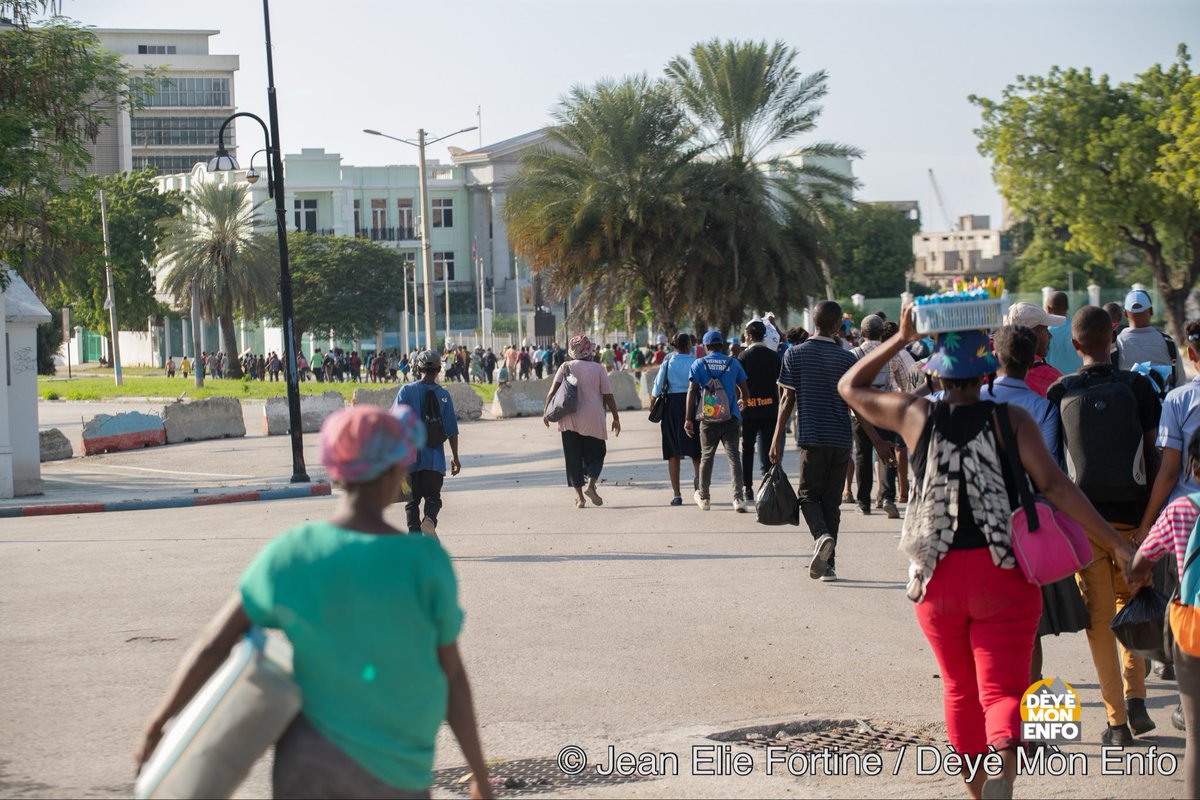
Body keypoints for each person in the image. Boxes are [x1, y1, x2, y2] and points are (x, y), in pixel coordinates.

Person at [840, 305, 1136, 799]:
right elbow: (1057, 487)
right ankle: (1004, 766)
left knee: (959, 690)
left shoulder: (917, 415)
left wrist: (902, 337)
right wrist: (1119, 545)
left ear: (937, 372)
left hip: (936, 580)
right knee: (1002, 691)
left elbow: (850, 386)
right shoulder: (1011, 420)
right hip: (1003, 575)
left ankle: (978, 790)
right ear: (985, 370)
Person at [134, 405, 493, 800]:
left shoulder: (294, 551)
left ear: (334, 471)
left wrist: (158, 722)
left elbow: (213, 644)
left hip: (307, 764)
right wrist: (480, 775)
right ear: (397, 472)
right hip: (399, 769)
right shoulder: (424, 562)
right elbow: (452, 677)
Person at [1046, 305, 1162, 745]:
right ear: (1113, 338)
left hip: (1085, 525)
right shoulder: (1138, 387)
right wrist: (1149, 524)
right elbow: (1154, 456)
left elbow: (1055, 468)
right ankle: (1137, 698)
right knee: (1133, 606)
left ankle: (1116, 723)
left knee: (1099, 622)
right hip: (1134, 524)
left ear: (1075, 344)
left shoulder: (1061, 391)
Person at [983, 326, 1087, 684]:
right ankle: (1029, 702)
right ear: (1032, 362)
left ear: (995, 357)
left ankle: (995, 700)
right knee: (1030, 627)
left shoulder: (972, 402)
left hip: (978, 524)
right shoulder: (1042, 408)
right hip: (1025, 524)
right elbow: (1050, 473)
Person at [1128, 429, 1200, 798]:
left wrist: (1141, 578)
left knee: (1196, 736)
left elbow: (1141, 562)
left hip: (1192, 626)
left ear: (1194, 468)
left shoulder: (1181, 509)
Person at [771, 301, 858, 582]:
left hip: (812, 438)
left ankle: (821, 536)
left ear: (814, 323)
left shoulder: (794, 354)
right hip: (841, 440)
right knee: (832, 502)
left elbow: (787, 399)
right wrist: (878, 442)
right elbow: (857, 405)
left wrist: (776, 438)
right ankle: (828, 566)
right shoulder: (847, 359)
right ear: (837, 326)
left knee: (808, 496)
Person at [543, 335, 621, 508]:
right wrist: (616, 418)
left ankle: (580, 498)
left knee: (573, 458)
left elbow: (552, 391)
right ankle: (591, 485)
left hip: (568, 417)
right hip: (593, 418)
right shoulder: (598, 369)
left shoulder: (565, 366)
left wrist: (546, 411)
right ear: (589, 351)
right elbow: (608, 396)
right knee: (597, 453)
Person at [394, 350, 461, 538]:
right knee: (433, 497)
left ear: (417, 368)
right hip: (434, 461)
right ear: (439, 369)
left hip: (409, 461)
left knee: (411, 502)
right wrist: (455, 457)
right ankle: (429, 520)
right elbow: (452, 430)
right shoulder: (444, 395)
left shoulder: (406, 391)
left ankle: (415, 540)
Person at [684, 330, 751, 513]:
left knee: (706, 456)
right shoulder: (733, 363)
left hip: (708, 418)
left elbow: (691, 390)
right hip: (731, 417)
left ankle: (704, 497)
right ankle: (738, 498)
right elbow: (745, 390)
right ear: (721, 345)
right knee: (734, 457)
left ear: (706, 346)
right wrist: (743, 401)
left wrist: (688, 418)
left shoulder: (699, 364)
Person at [850, 315, 902, 519]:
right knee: (887, 451)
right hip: (885, 409)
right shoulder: (892, 353)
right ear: (882, 333)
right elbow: (905, 381)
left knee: (862, 455)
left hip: (860, 411)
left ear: (862, 333)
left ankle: (864, 502)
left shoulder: (854, 354)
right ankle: (888, 497)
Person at [651, 333, 700, 506]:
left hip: (671, 407)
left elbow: (657, 388)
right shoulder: (695, 362)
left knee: (673, 452)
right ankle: (699, 486)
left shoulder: (667, 363)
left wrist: (652, 404)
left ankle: (677, 494)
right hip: (692, 405)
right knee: (696, 450)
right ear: (688, 345)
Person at [738, 320, 782, 499]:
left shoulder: (743, 357)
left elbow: (739, 384)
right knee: (769, 448)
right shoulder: (774, 357)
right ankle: (769, 486)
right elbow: (780, 384)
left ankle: (747, 487)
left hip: (749, 410)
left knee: (747, 448)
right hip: (770, 409)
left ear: (749, 336)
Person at [1114, 288, 1187, 393]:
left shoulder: (1116, 345)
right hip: (1163, 403)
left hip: (1128, 403)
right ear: (1151, 311)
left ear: (1125, 313)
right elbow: (1180, 382)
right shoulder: (1168, 343)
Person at [1003, 302, 1064, 397]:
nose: (1050, 336)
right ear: (1030, 335)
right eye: (1045, 330)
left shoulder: (990, 374)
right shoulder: (1051, 378)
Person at [1044, 291, 1082, 375]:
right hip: (1077, 378)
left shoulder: (1044, 332)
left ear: (1048, 308)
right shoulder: (1076, 328)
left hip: (1053, 379)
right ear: (1067, 307)